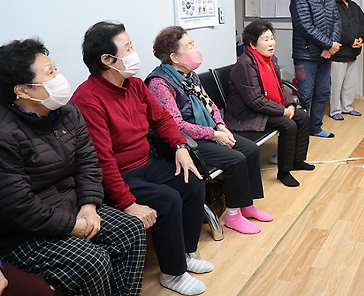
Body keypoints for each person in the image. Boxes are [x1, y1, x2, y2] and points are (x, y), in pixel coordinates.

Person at [71, 21, 212, 296]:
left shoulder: (134, 84)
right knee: (168, 198)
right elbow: (102, 161)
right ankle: (173, 274)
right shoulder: (89, 99)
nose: (134, 53)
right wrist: (128, 203)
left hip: (147, 164)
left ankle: (185, 254)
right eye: (129, 48)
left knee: (192, 180)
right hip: (119, 176)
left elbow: (162, 118)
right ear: (107, 60)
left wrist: (180, 146)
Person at [0, 39, 146, 296]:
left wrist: (89, 206)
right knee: (92, 261)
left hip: (75, 205)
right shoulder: (5, 132)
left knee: (130, 230)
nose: (59, 78)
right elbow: (18, 205)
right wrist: (72, 225)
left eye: (55, 69)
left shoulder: (67, 111)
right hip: (24, 232)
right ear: (23, 91)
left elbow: (89, 162)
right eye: (50, 73)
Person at [146, 25, 273, 233]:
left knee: (250, 150)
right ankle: (233, 216)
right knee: (236, 159)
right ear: (174, 57)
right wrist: (214, 134)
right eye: (189, 46)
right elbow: (176, 125)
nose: (195, 50)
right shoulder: (160, 84)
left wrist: (221, 125)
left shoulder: (189, 74)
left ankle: (246, 205)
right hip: (187, 143)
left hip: (209, 132)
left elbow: (209, 103)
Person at [224, 20, 314, 188]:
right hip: (246, 114)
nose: (271, 42)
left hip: (265, 107)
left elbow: (279, 86)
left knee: (301, 116)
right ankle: (284, 172)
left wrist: (291, 105)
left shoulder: (269, 60)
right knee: (288, 124)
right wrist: (283, 111)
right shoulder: (245, 64)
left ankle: (297, 160)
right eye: (265, 39)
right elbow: (255, 101)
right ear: (253, 43)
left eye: (271, 38)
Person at [290, 0, 342, 138]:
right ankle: (300, 132)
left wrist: (331, 47)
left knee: (323, 92)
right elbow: (305, 26)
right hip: (305, 56)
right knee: (304, 94)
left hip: (325, 56)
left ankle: (316, 128)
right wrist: (328, 44)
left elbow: (337, 21)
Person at [329, 0, 364, 120]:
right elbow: (334, 28)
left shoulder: (353, 6)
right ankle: (335, 110)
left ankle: (347, 107)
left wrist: (360, 38)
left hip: (353, 52)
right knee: (336, 85)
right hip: (338, 53)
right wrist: (351, 39)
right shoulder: (331, 5)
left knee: (351, 84)